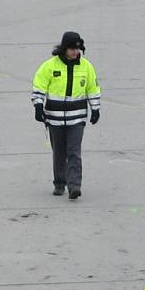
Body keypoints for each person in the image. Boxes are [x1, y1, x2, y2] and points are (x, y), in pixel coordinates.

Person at [31, 31, 101, 200]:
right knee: (59, 152)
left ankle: (74, 186)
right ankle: (59, 182)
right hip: (54, 118)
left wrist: (95, 108)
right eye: (71, 49)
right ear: (64, 48)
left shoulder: (86, 67)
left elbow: (93, 88)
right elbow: (39, 86)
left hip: (77, 118)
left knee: (74, 152)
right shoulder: (49, 66)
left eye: (77, 49)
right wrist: (38, 106)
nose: (75, 52)